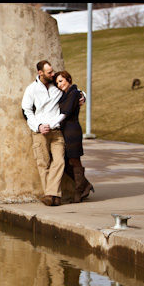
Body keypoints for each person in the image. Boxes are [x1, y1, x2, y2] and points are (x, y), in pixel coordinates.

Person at [21, 60, 66, 206]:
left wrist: (82, 96)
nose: (53, 74)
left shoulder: (57, 86)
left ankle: (50, 194)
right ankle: (53, 197)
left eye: (52, 71)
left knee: (59, 161)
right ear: (40, 73)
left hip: (57, 131)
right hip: (40, 132)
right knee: (43, 163)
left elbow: (73, 90)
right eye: (49, 72)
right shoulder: (32, 89)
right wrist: (38, 126)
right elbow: (26, 110)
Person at [52, 71, 94, 203]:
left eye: (61, 81)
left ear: (68, 79)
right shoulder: (65, 94)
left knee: (75, 160)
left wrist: (51, 124)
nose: (59, 85)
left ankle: (79, 191)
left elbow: (67, 111)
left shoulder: (74, 93)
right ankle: (85, 185)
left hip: (73, 130)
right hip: (64, 130)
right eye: (57, 82)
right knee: (63, 161)